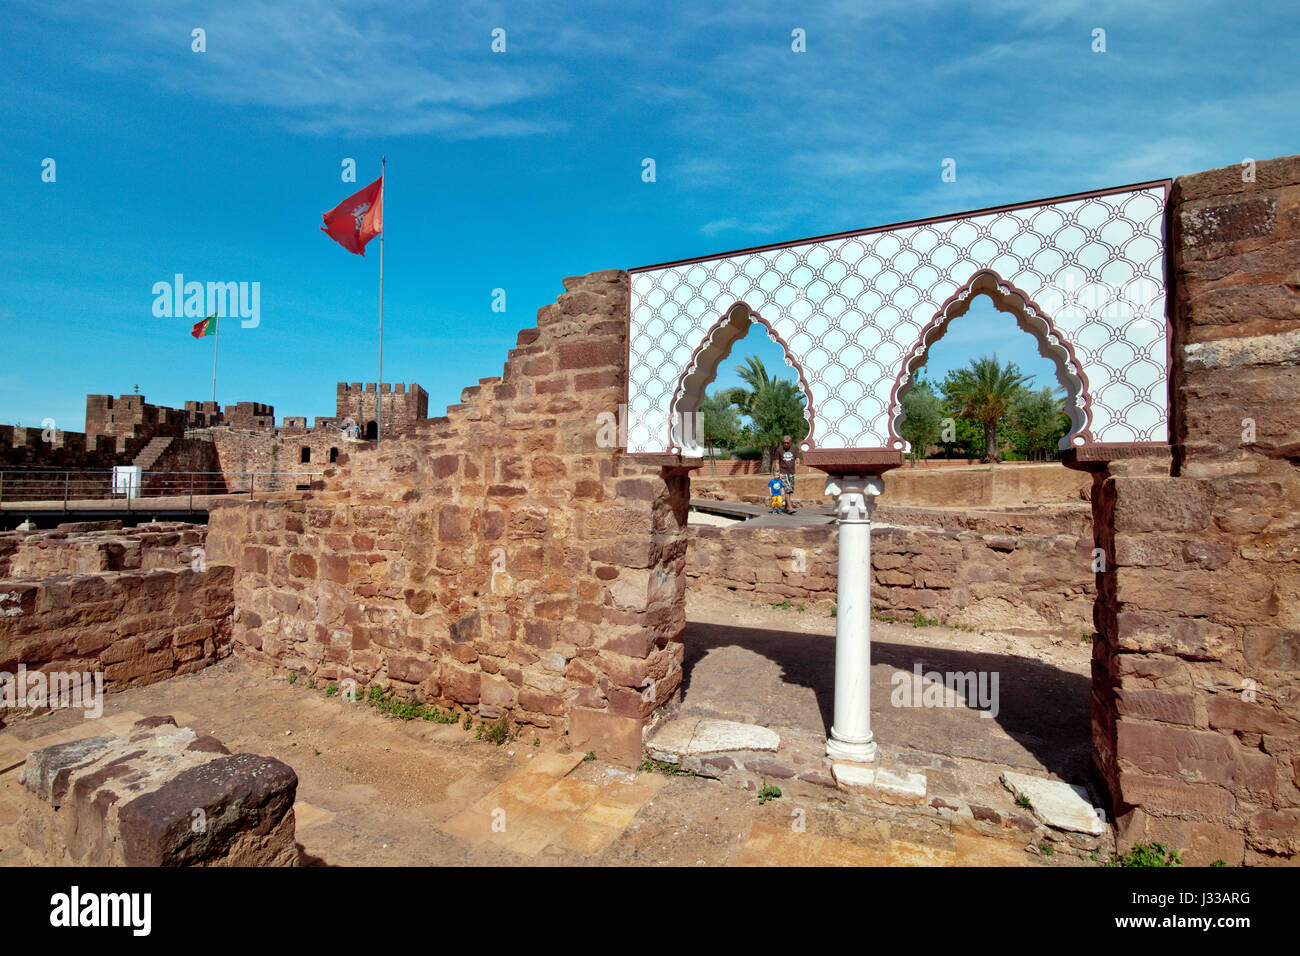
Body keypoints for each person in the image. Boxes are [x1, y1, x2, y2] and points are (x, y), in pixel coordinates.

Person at [776, 435, 802, 514]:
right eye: (784, 443)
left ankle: (785, 508)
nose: (786, 444)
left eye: (787, 443)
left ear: (790, 442)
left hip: (791, 472)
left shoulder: (794, 449)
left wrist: (798, 463)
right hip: (783, 472)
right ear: (782, 443)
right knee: (787, 490)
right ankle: (790, 508)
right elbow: (777, 462)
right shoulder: (779, 450)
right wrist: (778, 472)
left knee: (790, 490)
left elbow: (797, 458)